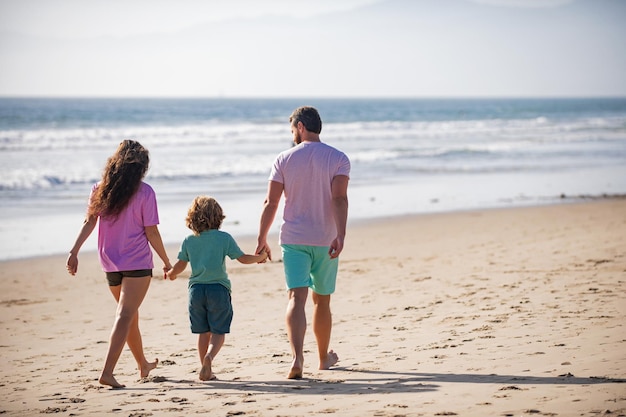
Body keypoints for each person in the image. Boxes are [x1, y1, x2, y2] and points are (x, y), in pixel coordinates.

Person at [66, 139, 171, 389]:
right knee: (125, 314)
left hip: (110, 261)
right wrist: (166, 260)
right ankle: (107, 372)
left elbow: (89, 222)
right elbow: (151, 232)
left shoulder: (100, 189)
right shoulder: (145, 192)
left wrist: (74, 251)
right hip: (135, 261)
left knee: (129, 315)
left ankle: (143, 364)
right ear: (140, 168)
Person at [255, 106, 350, 379]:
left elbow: (271, 202)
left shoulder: (283, 159)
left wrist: (262, 238)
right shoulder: (339, 158)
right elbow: (339, 199)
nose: (292, 135)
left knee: (296, 297)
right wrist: (341, 235)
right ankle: (322, 359)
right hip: (326, 239)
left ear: (299, 126)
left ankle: (297, 359)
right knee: (322, 300)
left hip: (294, 239)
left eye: (292, 130)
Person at [166, 196, 268, 381]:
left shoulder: (189, 240)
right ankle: (209, 358)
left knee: (202, 332)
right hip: (218, 290)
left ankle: (205, 368)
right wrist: (258, 257)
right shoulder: (224, 238)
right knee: (219, 332)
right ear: (219, 217)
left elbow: (180, 266)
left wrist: (171, 274)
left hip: (195, 292)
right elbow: (243, 258)